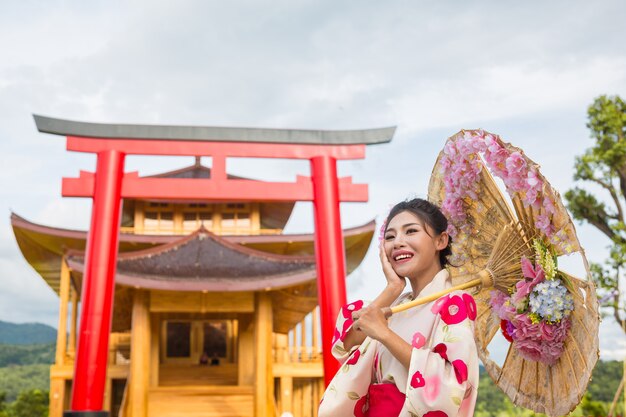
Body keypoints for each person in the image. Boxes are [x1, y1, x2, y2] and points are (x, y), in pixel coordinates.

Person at [318, 198, 479, 417]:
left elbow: (451, 382)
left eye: (411, 231)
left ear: (440, 241)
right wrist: (392, 288)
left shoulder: (455, 302)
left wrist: (384, 334)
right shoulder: (397, 306)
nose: (397, 243)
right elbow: (347, 346)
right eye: (390, 236)